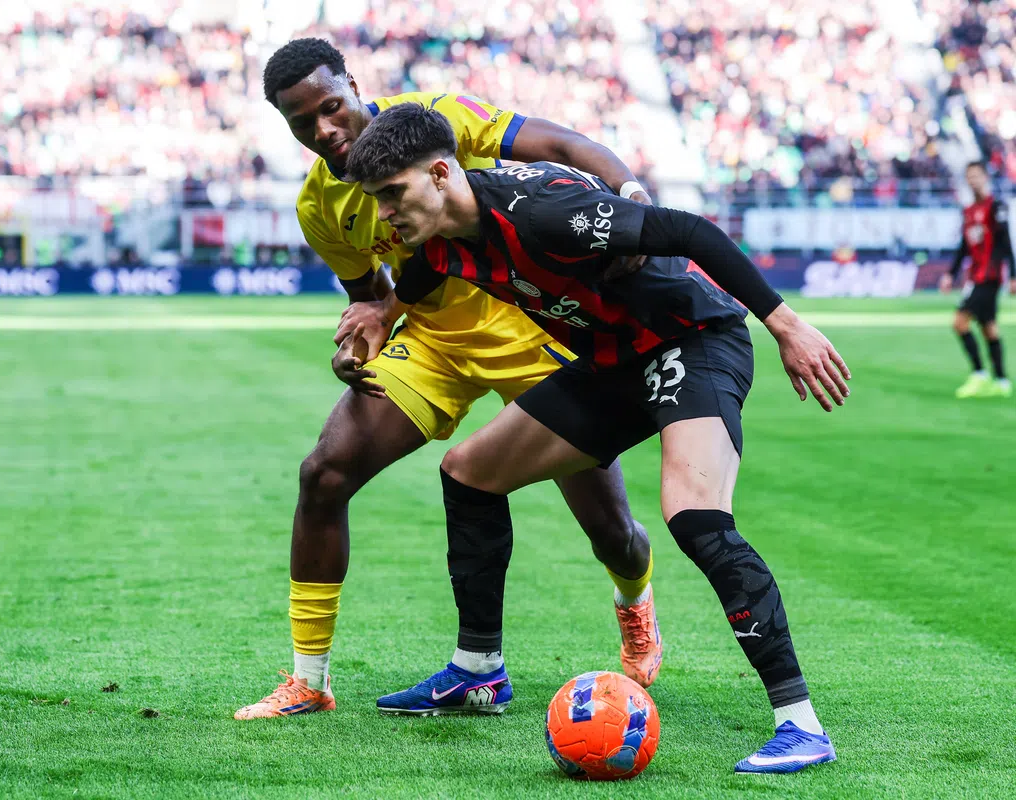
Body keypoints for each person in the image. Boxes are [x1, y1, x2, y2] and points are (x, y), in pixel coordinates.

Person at [337, 102, 850, 774]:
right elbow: (424, 275)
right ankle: (478, 670)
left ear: (439, 174)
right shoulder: (438, 240)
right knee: (469, 472)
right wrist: (384, 312)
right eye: (375, 200)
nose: (383, 215)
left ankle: (800, 724)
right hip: (611, 363)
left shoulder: (543, 212)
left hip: (691, 339)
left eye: (392, 194)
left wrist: (786, 326)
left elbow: (690, 231)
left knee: (695, 516)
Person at [235, 38, 661, 721]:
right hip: (435, 340)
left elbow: (563, 143)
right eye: (302, 121)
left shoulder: (437, 117)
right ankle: (309, 680)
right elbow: (374, 300)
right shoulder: (319, 207)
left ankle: (635, 604)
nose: (324, 129)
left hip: (535, 326)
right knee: (324, 474)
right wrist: (359, 342)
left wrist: (632, 195)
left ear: (353, 85)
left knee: (610, 529)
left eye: (331, 106)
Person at [939, 161, 1014, 398]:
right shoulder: (969, 211)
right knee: (988, 328)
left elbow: (1005, 242)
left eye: (977, 176)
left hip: (988, 277)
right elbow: (964, 247)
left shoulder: (996, 207)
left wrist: (1013, 275)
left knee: (960, 322)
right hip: (976, 276)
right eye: (969, 176)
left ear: (985, 178)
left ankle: (979, 374)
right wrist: (951, 273)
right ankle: (1001, 381)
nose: (973, 180)